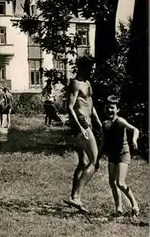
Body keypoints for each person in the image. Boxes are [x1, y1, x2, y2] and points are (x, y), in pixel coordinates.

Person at [65, 56, 102, 213]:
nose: (91, 71)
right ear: (81, 67)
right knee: (95, 162)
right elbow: (70, 107)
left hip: (89, 124)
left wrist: (99, 122)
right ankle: (76, 196)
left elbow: (90, 105)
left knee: (83, 162)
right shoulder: (75, 83)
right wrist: (80, 127)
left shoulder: (88, 83)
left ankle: (73, 197)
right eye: (89, 68)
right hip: (82, 126)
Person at [96, 95, 140, 217]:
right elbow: (102, 143)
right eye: (108, 107)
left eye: (112, 108)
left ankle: (135, 204)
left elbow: (135, 129)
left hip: (123, 154)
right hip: (112, 155)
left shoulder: (119, 121)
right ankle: (118, 209)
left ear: (117, 109)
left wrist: (134, 140)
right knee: (112, 183)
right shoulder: (104, 124)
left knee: (120, 183)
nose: (110, 110)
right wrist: (97, 158)